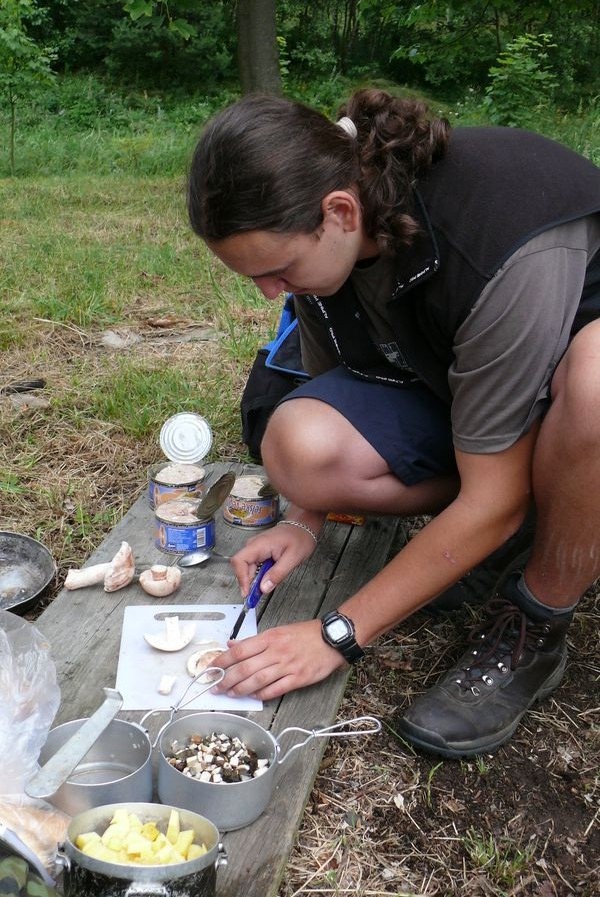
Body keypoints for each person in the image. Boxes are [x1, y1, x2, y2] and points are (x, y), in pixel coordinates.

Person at [186, 88, 600, 758]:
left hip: (576, 388)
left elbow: (492, 497)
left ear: (340, 212)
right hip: (479, 382)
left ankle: (537, 619)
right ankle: (512, 520)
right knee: (299, 445)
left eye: (278, 269)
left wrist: (336, 634)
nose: (268, 291)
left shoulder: (489, 244)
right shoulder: (331, 237)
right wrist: (304, 519)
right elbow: (336, 389)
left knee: (596, 385)